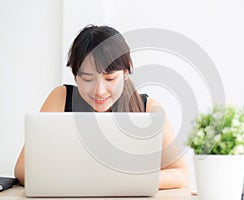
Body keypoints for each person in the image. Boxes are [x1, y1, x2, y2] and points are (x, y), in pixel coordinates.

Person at [14, 25, 189, 189]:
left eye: (110, 78)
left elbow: (181, 174)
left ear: (126, 73)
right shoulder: (61, 98)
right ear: (75, 76)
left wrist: (127, 179)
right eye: (88, 79)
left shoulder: (148, 109)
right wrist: (88, 180)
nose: (99, 91)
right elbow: (23, 169)